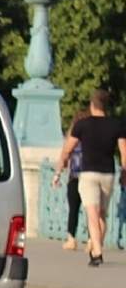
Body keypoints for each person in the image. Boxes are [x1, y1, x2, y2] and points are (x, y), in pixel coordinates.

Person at [58, 89, 126, 267]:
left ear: (92, 105)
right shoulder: (116, 125)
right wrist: (124, 174)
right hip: (108, 174)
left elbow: (68, 148)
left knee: (92, 213)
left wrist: (62, 163)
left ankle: (97, 252)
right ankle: (97, 246)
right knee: (102, 214)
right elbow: (124, 154)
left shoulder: (83, 125)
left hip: (88, 174)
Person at [54, 107, 90, 251]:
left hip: (74, 176)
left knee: (73, 209)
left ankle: (71, 239)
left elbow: (65, 154)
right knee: (90, 210)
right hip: (89, 174)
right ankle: (91, 240)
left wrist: (57, 173)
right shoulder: (91, 136)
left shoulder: (72, 136)